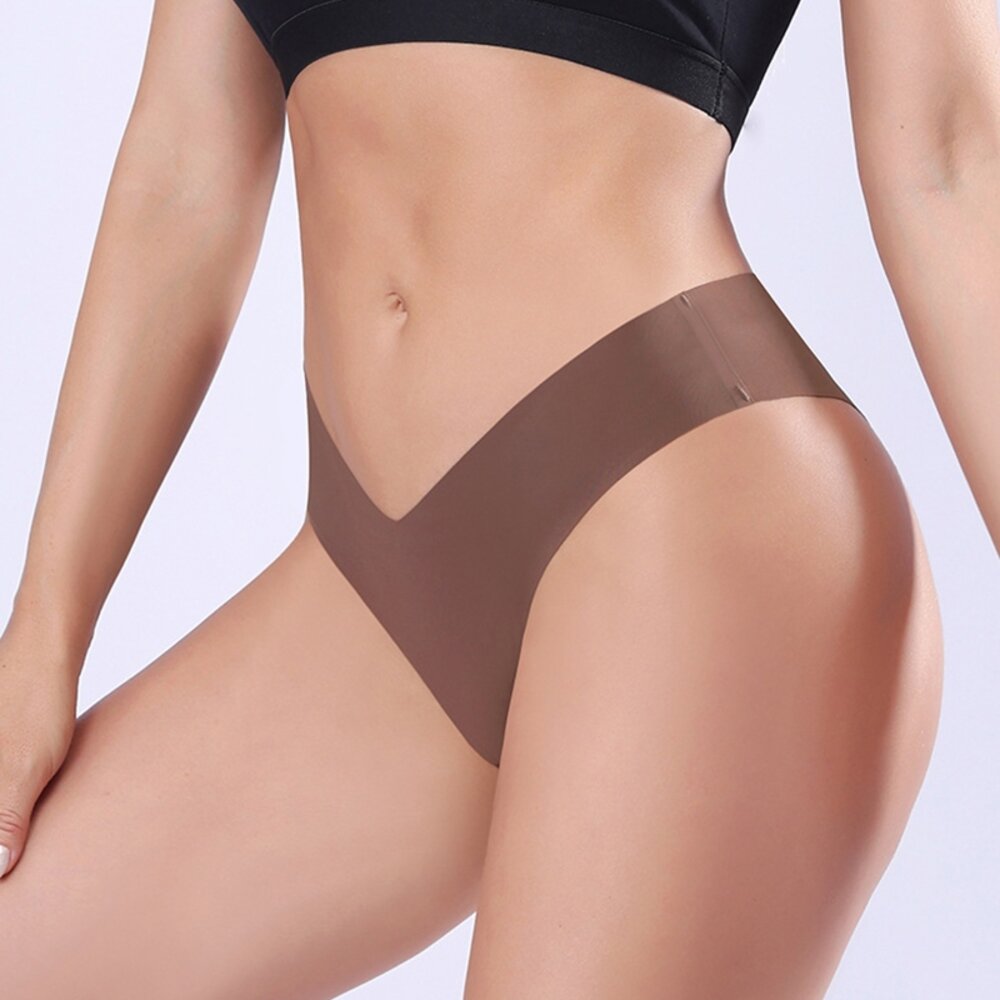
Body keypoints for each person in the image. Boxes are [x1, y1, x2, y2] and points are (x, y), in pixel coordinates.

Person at [0, 0, 995, 996]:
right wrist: (43, 634)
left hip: (680, 499)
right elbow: (185, 164)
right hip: (375, 586)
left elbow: (950, 149)